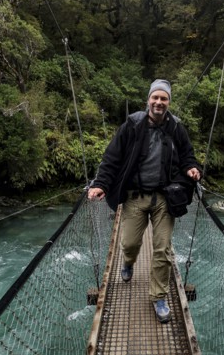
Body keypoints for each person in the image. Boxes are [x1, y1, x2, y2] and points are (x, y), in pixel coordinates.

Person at [87, 79, 201, 323]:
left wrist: (192, 168)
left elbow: (187, 156)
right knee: (128, 244)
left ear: (169, 102)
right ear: (148, 100)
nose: (159, 102)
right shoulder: (131, 126)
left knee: (163, 249)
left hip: (164, 198)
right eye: (155, 98)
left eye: (164, 98)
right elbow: (112, 159)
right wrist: (100, 185)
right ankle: (128, 262)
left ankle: (159, 297)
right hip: (134, 197)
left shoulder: (177, 128)